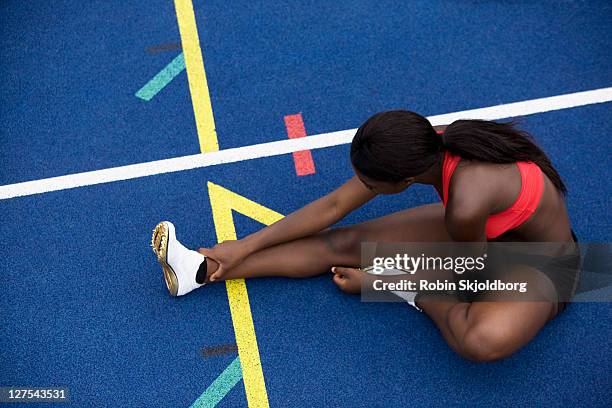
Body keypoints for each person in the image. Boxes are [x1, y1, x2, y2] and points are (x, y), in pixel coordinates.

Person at [152, 110, 579, 362]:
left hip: (543, 267)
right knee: (342, 242)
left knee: (479, 341)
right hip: (485, 237)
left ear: (405, 179)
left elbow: (470, 276)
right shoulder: (422, 145)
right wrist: (244, 245)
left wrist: (386, 279)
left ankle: (411, 292)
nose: (364, 189)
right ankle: (200, 270)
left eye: (372, 186)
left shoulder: (466, 203)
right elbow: (333, 207)